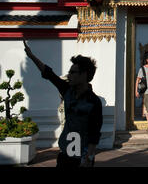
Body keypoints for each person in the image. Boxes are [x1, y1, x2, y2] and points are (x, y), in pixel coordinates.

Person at [23, 40, 102, 168]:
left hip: (82, 157)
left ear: (84, 75)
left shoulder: (93, 102)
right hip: (65, 154)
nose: (69, 75)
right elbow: (49, 74)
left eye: (72, 72)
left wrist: (89, 157)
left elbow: (95, 133)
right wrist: (31, 56)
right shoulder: (67, 91)